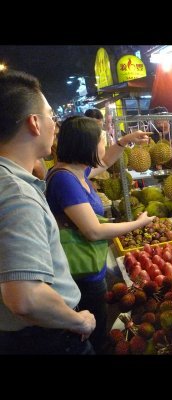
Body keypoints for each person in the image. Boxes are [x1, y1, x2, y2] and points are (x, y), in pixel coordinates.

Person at [0, 69, 96, 354]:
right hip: (46, 339)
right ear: (34, 123)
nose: (55, 124)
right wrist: (77, 320)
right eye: (51, 116)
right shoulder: (17, 195)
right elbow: (25, 298)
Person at [45, 116, 155, 353]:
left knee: (100, 320)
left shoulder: (76, 172)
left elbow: (104, 162)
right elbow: (93, 230)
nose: (104, 145)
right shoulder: (65, 180)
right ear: (87, 144)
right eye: (102, 140)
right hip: (80, 271)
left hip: (90, 266)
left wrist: (125, 141)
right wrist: (136, 224)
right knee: (94, 331)